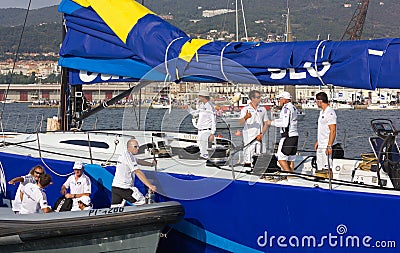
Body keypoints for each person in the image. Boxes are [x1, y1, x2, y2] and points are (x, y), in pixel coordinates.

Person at [111, 138, 157, 207]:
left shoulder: (125, 155)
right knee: (144, 203)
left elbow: (139, 161)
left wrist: (151, 164)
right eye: (135, 147)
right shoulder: (129, 156)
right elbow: (138, 172)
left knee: (116, 209)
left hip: (116, 187)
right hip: (125, 188)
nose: (138, 148)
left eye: (138, 146)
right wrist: (150, 185)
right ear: (129, 147)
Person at [238, 90, 270, 168]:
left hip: (260, 136)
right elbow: (240, 122)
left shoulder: (262, 109)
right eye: (258, 97)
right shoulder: (245, 109)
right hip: (249, 136)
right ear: (252, 98)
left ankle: (258, 169)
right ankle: (247, 168)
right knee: (248, 154)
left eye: (260, 97)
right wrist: (246, 117)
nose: (260, 99)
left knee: (260, 154)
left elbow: (266, 123)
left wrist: (262, 134)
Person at [270, 91, 299, 172]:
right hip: (295, 136)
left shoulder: (286, 108)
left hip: (287, 136)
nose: (279, 101)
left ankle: (289, 175)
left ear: (284, 99)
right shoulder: (293, 107)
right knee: (291, 159)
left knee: (280, 158)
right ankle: (292, 176)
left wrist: (271, 123)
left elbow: (285, 123)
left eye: (280, 99)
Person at [183, 90, 216, 159]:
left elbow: (213, 119)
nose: (198, 97)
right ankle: (203, 158)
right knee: (201, 146)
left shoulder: (210, 106)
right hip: (200, 130)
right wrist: (188, 108)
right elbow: (195, 113)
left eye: (199, 96)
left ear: (203, 97)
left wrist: (212, 132)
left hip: (206, 130)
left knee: (204, 147)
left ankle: (205, 158)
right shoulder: (201, 105)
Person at [314, 91, 337, 176]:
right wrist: (318, 141)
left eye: (316, 101)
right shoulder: (322, 112)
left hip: (326, 144)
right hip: (321, 143)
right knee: (320, 166)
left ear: (320, 101)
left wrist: (329, 145)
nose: (316, 103)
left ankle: (330, 183)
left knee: (327, 167)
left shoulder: (330, 112)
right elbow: (322, 128)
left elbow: (333, 130)